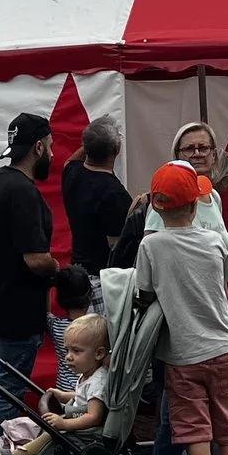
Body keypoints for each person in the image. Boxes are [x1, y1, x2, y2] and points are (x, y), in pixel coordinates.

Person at [138, 162, 228, 455]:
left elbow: (146, 294)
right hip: (222, 347)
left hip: (182, 354)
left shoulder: (150, 246)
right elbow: (222, 284)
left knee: (196, 435)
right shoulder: (215, 242)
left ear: (157, 207)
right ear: (196, 206)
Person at [0, 113, 61, 451]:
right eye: (50, 147)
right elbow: (35, 258)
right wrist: (58, 268)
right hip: (18, 308)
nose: (52, 155)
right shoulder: (23, 192)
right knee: (7, 390)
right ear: (38, 147)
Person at [57, 117, 129, 388]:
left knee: (78, 353)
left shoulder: (72, 174)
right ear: (116, 150)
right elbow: (116, 247)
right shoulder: (115, 195)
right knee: (98, 358)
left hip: (78, 276)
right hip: (101, 281)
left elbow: (69, 161)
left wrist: (90, 140)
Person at [0, 311, 112, 455]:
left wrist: (64, 424)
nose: (68, 356)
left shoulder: (98, 381)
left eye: (76, 351)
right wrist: (64, 395)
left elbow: (94, 416)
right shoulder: (89, 374)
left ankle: (19, 454)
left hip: (88, 434)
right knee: (46, 427)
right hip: (78, 423)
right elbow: (85, 398)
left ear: (99, 353)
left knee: (51, 433)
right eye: (67, 350)